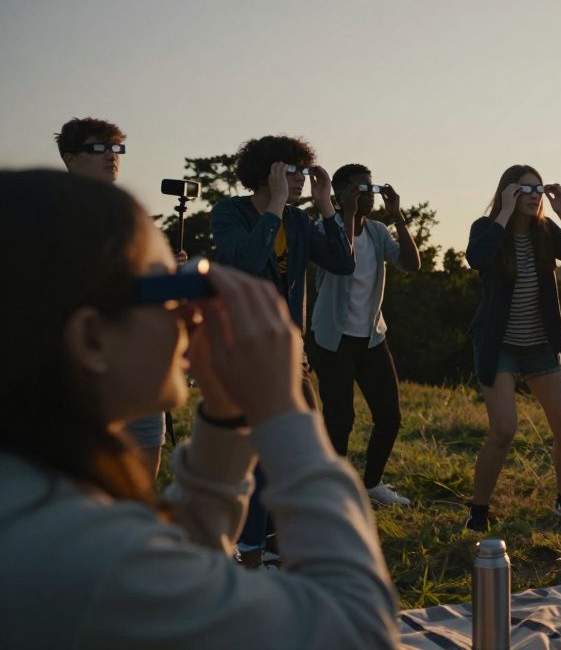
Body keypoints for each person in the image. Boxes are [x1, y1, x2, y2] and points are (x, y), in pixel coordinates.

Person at [0, 169, 399, 648]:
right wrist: (283, 410)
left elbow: (177, 562)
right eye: (167, 287)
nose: (189, 312)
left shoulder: (35, 495)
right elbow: (356, 632)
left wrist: (227, 419)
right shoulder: (79, 555)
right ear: (90, 338)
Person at [211, 135, 355, 567]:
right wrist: (273, 206)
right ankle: (250, 547)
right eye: (291, 172)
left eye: (304, 171)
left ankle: (275, 539)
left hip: (291, 351)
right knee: (258, 454)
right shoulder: (230, 213)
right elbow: (245, 262)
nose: (299, 180)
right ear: (268, 172)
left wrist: (327, 205)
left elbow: (343, 262)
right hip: (246, 349)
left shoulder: (297, 222)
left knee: (299, 449)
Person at [464, 165, 561, 531]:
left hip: (540, 343)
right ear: (508, 193)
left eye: (538, 188)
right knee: (504, 429)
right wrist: (504, 213)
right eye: (525, 189)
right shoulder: (487, 228)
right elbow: (477, 258)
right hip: (498, 344)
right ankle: (478, 510)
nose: (534, 195)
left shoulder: (545, 232)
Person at [55, 116, 169, 479]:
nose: (112, 156)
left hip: (136, 360)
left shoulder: (130, 214)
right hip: (79, 367)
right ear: (71, 159)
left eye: (116, 148)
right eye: (99, 148)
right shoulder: (49, 212)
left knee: (141, 484)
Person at [308, 164, 420, 507]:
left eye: (369, 189)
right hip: (332, 338)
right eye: (358, 190)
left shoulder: (378, 231)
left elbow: (412, 264)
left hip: (372, 337)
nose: (367, 196)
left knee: (390, 416)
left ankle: (372, 484)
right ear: (338, 195)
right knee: (339, 421)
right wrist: (347, 215)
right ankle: (334, 490)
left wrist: (398, 216)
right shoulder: (322, 229)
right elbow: (343, 260)